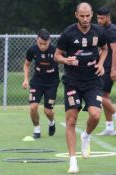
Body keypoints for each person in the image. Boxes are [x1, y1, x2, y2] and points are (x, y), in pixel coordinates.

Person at [54, 2, 107, 174]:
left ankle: (86, 135)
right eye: (82, 16)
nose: (85, 19)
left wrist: (100, 64)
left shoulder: (99, 31)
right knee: (71, 120)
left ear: (92, 15)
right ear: (76, 15)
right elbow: (57, 55)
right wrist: (65, 60)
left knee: (95, 114)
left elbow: (104, 49)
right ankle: (73, 161)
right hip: (73, 81)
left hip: (93, 81)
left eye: (88, 15)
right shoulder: (68, 33)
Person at [22, 28, 59, 139]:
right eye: (40, 43)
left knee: (48, 111)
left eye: (45, 44)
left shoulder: (55, 51)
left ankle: (51, 122)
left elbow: (65, 62)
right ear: (36, 40)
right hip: (37, 81)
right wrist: (25, 79)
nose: (42, 46)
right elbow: (27, 65)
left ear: (50, 41)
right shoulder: (32, 50)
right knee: (33, 107)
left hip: (52, 82)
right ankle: (37, 130)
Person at [96, 7, 116, 136]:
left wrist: (113, 69)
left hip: (110, 68)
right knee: (105, 96)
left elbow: (115, 50)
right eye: (98, 18)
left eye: (102, 18)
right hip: (105, 67)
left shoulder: (112, 30)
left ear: (108, 17)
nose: (99, 20)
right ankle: (109, 127)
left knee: (100, 96)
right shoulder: (102, 29)